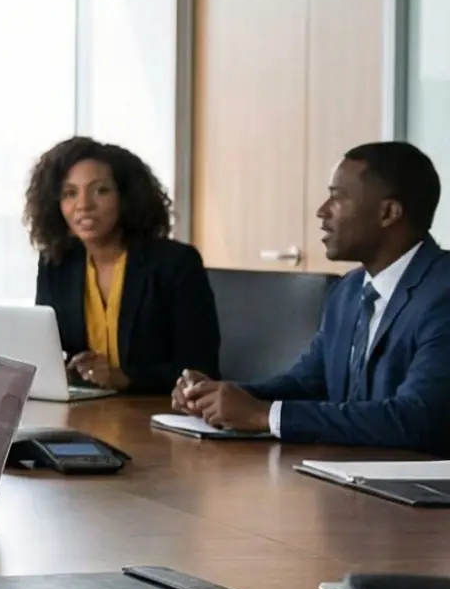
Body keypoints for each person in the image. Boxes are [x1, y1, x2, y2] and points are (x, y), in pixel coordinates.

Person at [176, 142, 450, 453]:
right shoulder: (348, 290)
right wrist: (217, 396)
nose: (322, 212)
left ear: (388, 212)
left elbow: (417, 418)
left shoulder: (442, 292)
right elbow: (308, 384)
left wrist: (264, 415)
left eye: (337, 197)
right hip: (349, 479)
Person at [24, 136, 218, 394]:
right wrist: (66, 369)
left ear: (126, 197)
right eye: (69, 193)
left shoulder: (175, 264)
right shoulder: (56, 264)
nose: (83, 205)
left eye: (100, 190)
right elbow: (47, 351)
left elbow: (202, 368)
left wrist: (125, 377)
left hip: (155, 416)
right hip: (84, 413)